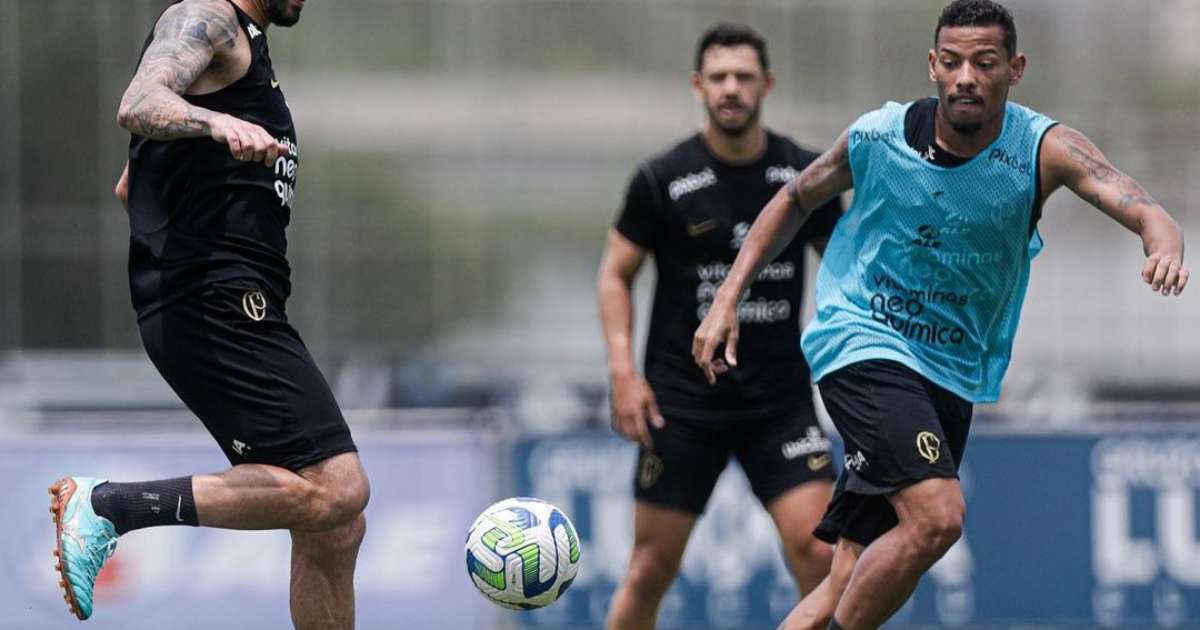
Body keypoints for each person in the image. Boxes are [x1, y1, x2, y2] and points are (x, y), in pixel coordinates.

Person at [691, 2, 1189, 629]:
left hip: (949, 370)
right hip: (863, 339)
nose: (966, 78)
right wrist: (728, 299)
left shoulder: (1043, 149)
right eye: (952, 62)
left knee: (843, 579)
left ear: (1015, 68)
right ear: (932, 65)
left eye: (985, 64)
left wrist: (1163, 244)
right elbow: (793, 198)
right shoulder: (880, 136)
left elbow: (1143, 207)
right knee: (938, 517)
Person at [49, 1, 370, 626]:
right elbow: (139, 101)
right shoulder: (207, 17)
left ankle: (111, 506)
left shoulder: (249, 51)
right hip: (215, 301)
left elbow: (129, 186)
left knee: (335, 525)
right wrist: (215, 123)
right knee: (340, 488)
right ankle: (111, 507)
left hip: (224, 300)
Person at [597, 22, 844, 630]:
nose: (731, 88)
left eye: (743, 76)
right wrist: (623, 374)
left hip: (779, 404)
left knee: (821, 556)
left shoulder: (805, 174)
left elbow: (848, 273)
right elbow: (615, 275)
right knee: (649, 568)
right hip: (682, 403)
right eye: (719, 77)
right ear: (698, 85)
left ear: (767, 85)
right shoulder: (661, 178)